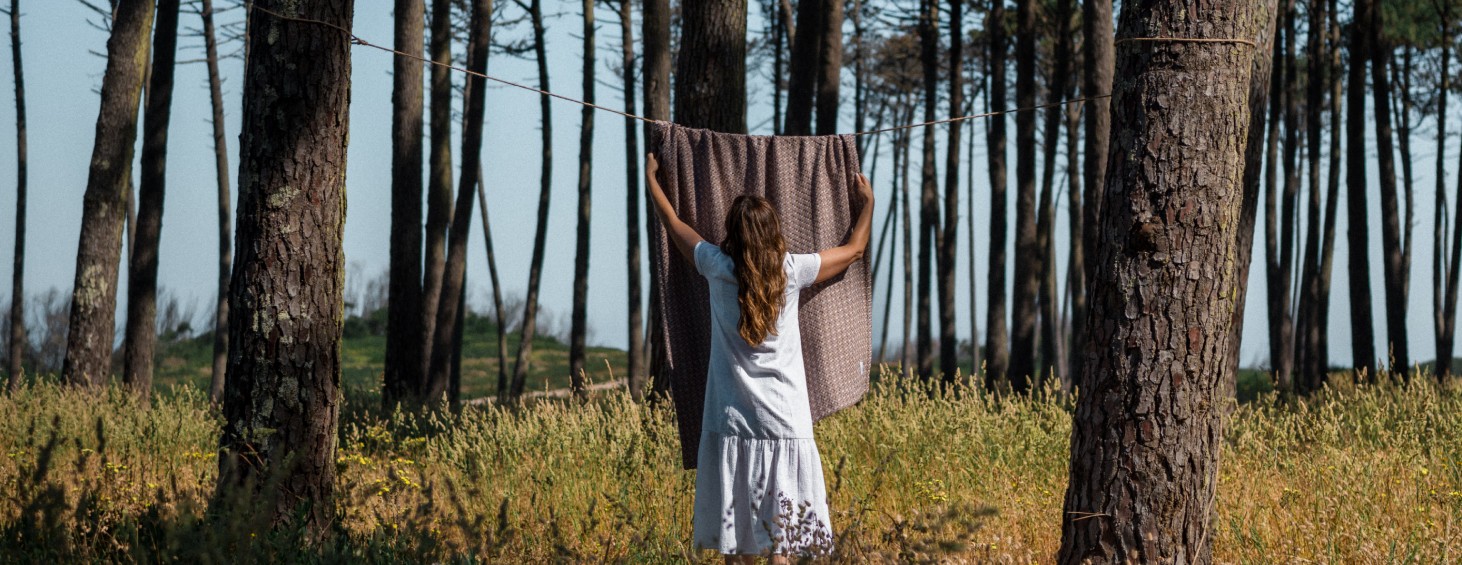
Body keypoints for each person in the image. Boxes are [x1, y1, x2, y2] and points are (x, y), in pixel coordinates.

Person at [645, 152, 874, 563]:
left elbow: (676, 226)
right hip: (785, 419)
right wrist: (867, 204)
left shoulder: (717, 267)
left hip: (732, 420)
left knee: (738, 549)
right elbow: (854, 250)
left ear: (732, 232)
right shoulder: (790, 271)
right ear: (773, 233)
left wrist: (653, 182)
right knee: (781, 546)